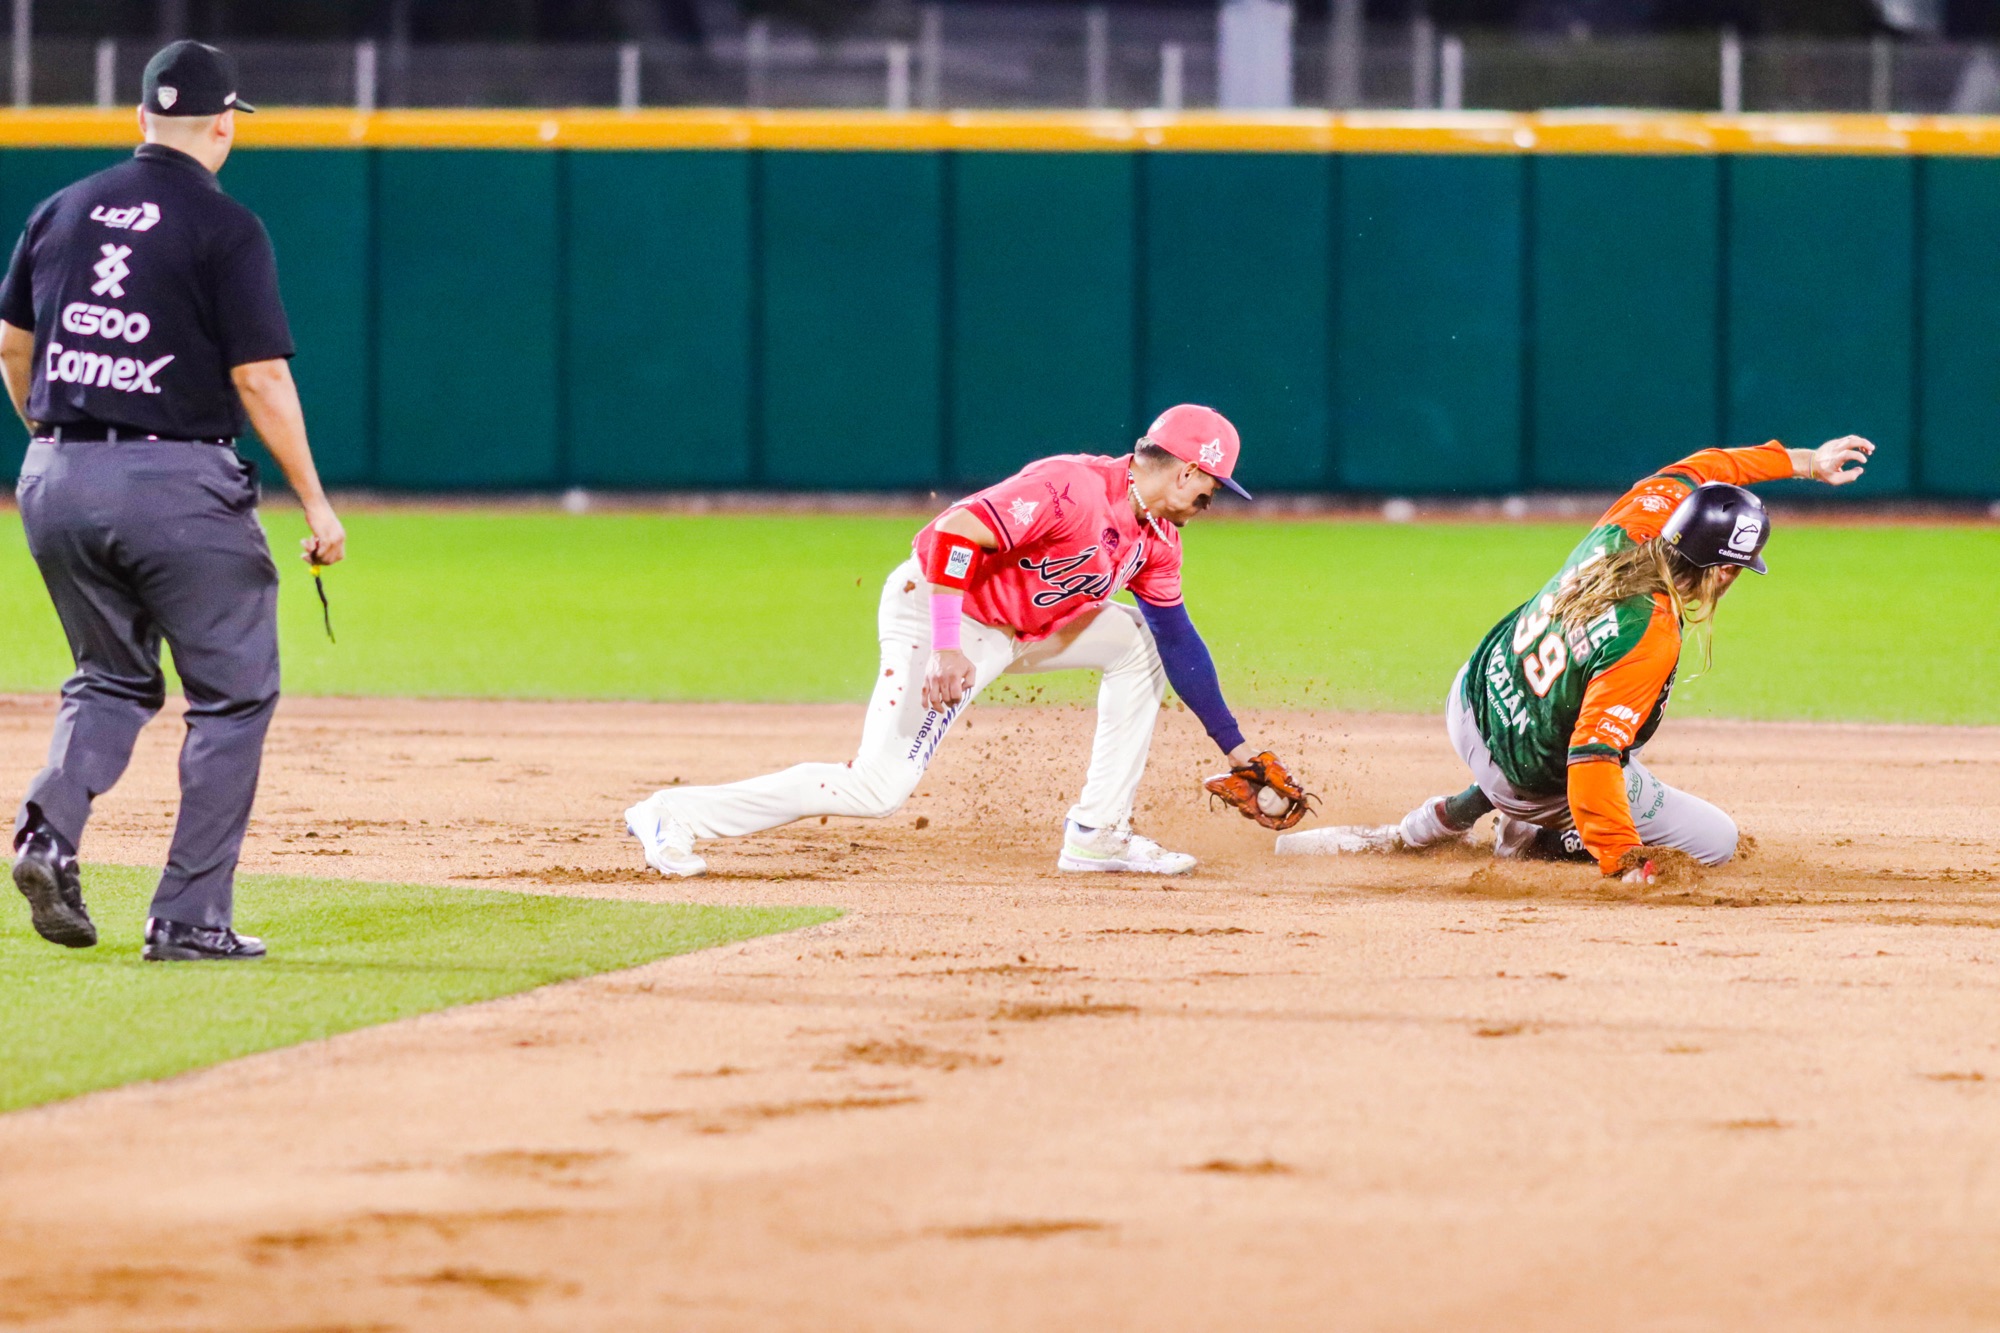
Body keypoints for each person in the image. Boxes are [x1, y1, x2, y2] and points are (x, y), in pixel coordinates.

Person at [625, 405, 1306, 877]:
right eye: (1212, 491)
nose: (1208, 505)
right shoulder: (1071, 486)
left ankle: (1099, 836)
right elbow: (954, 533)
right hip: (939, 614)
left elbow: (1179, 638)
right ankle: (673, 814)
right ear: (1187, 471)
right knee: (877, 787)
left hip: (1014, 631)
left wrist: (1237, 747)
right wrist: (948, 644)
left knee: (1139, 644)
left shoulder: (1156, 538)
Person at [0, 41, 345, 960]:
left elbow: (10, 347)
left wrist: (50, 441)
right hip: (177, 484)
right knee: (232, 698)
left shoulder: (61, 210)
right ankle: (189, 917)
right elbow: (262, 377)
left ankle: (47, 830)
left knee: (109, 676)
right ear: (225, 124)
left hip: (54, 478)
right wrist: (315, 502)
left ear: (140, 120)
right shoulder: (226, 227)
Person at [1277, 436, 1874, 883]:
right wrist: (1621, 859)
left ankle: (1437, 822)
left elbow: (1701, 468)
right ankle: (1535, 837)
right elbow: (1591, 756)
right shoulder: (1651, 633)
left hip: (1473, 696)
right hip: (1525, 778)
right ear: (1721, 570)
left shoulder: (1641, 515)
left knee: (1579, 705)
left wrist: (1803, 460)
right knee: (1714, 840)